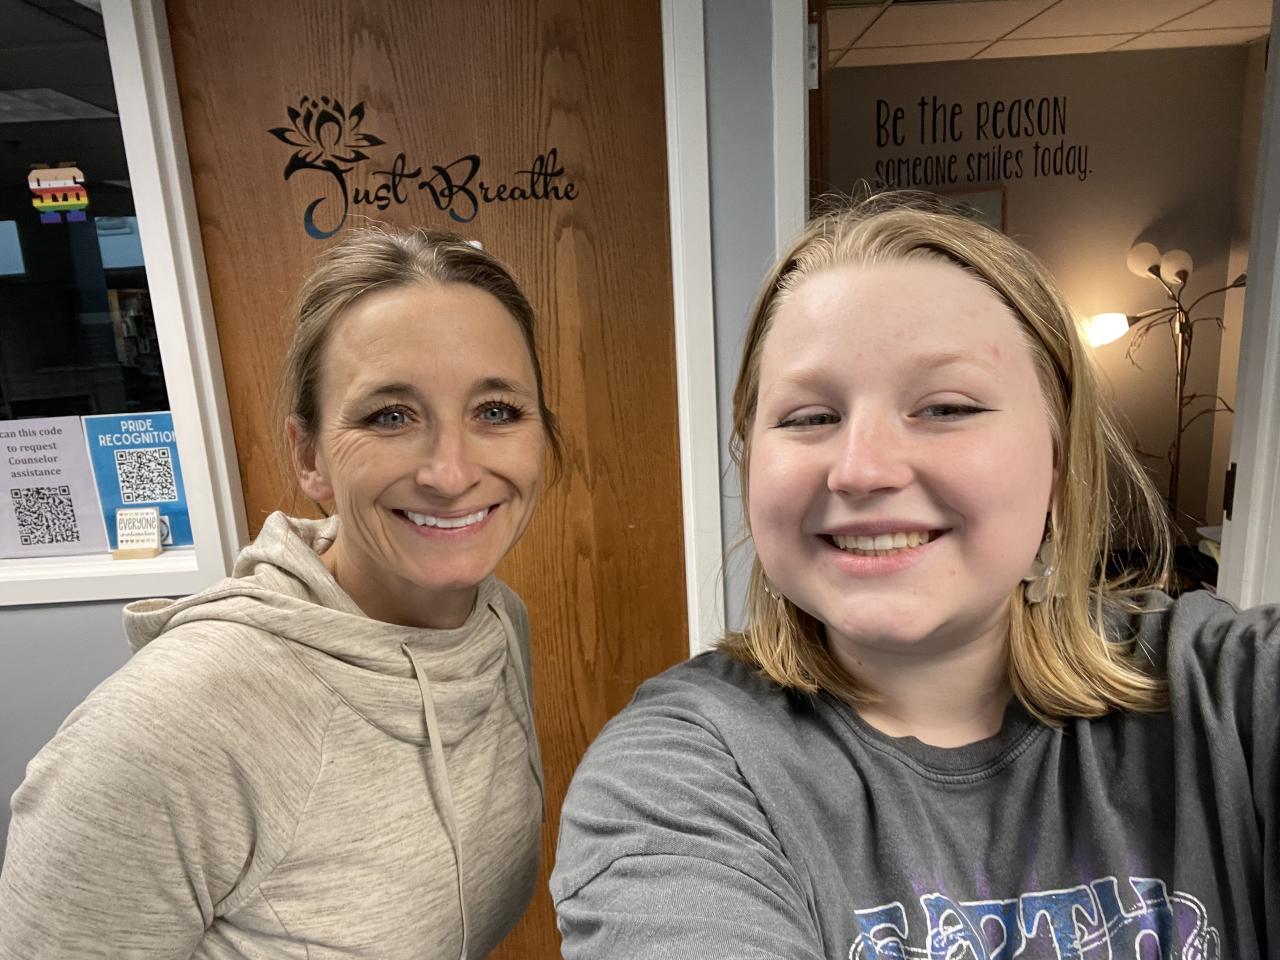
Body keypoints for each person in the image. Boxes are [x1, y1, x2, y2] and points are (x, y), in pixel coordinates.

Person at [550, 194, 1278, 959]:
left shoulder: (1230, 695)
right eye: (808, 418)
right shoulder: (681, 774)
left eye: (946, 408)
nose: (861, 469)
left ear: (1059, 463)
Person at [0, 227, 562, 959]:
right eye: (390, 416)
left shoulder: (494, 621)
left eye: (496, 411)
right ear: (308, 456)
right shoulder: (168, 731)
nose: (450, 473)